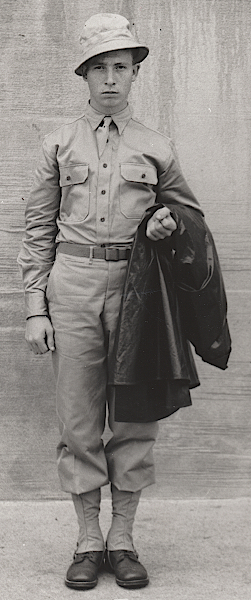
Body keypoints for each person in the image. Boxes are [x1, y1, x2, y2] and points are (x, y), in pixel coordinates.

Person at [18, 13, 230, 591]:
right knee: (80, 420)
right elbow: (38, 229)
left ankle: (124, 540)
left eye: (121, 67)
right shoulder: (57, 142)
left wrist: (166, 222)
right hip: (73, 285)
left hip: (137, 292)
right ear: (84, 76)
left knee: (135, 415)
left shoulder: (156, 146)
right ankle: (88, 541)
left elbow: (190, 220)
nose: (110, 78)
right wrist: (35, 306)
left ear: (134, 74)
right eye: (99, 68)